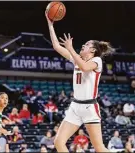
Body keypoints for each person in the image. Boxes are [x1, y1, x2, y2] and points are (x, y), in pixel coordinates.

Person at [45, 10, 115, 152]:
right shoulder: (78, 59)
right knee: (58, 142)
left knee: (99, 147)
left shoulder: (97, 61)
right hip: (75, 107)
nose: (83, 45)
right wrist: (50, 24)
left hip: (90, 108)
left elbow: (84, 67)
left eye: (87, 44)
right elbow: (57, 47)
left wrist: (70, 49)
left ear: (93, 50)